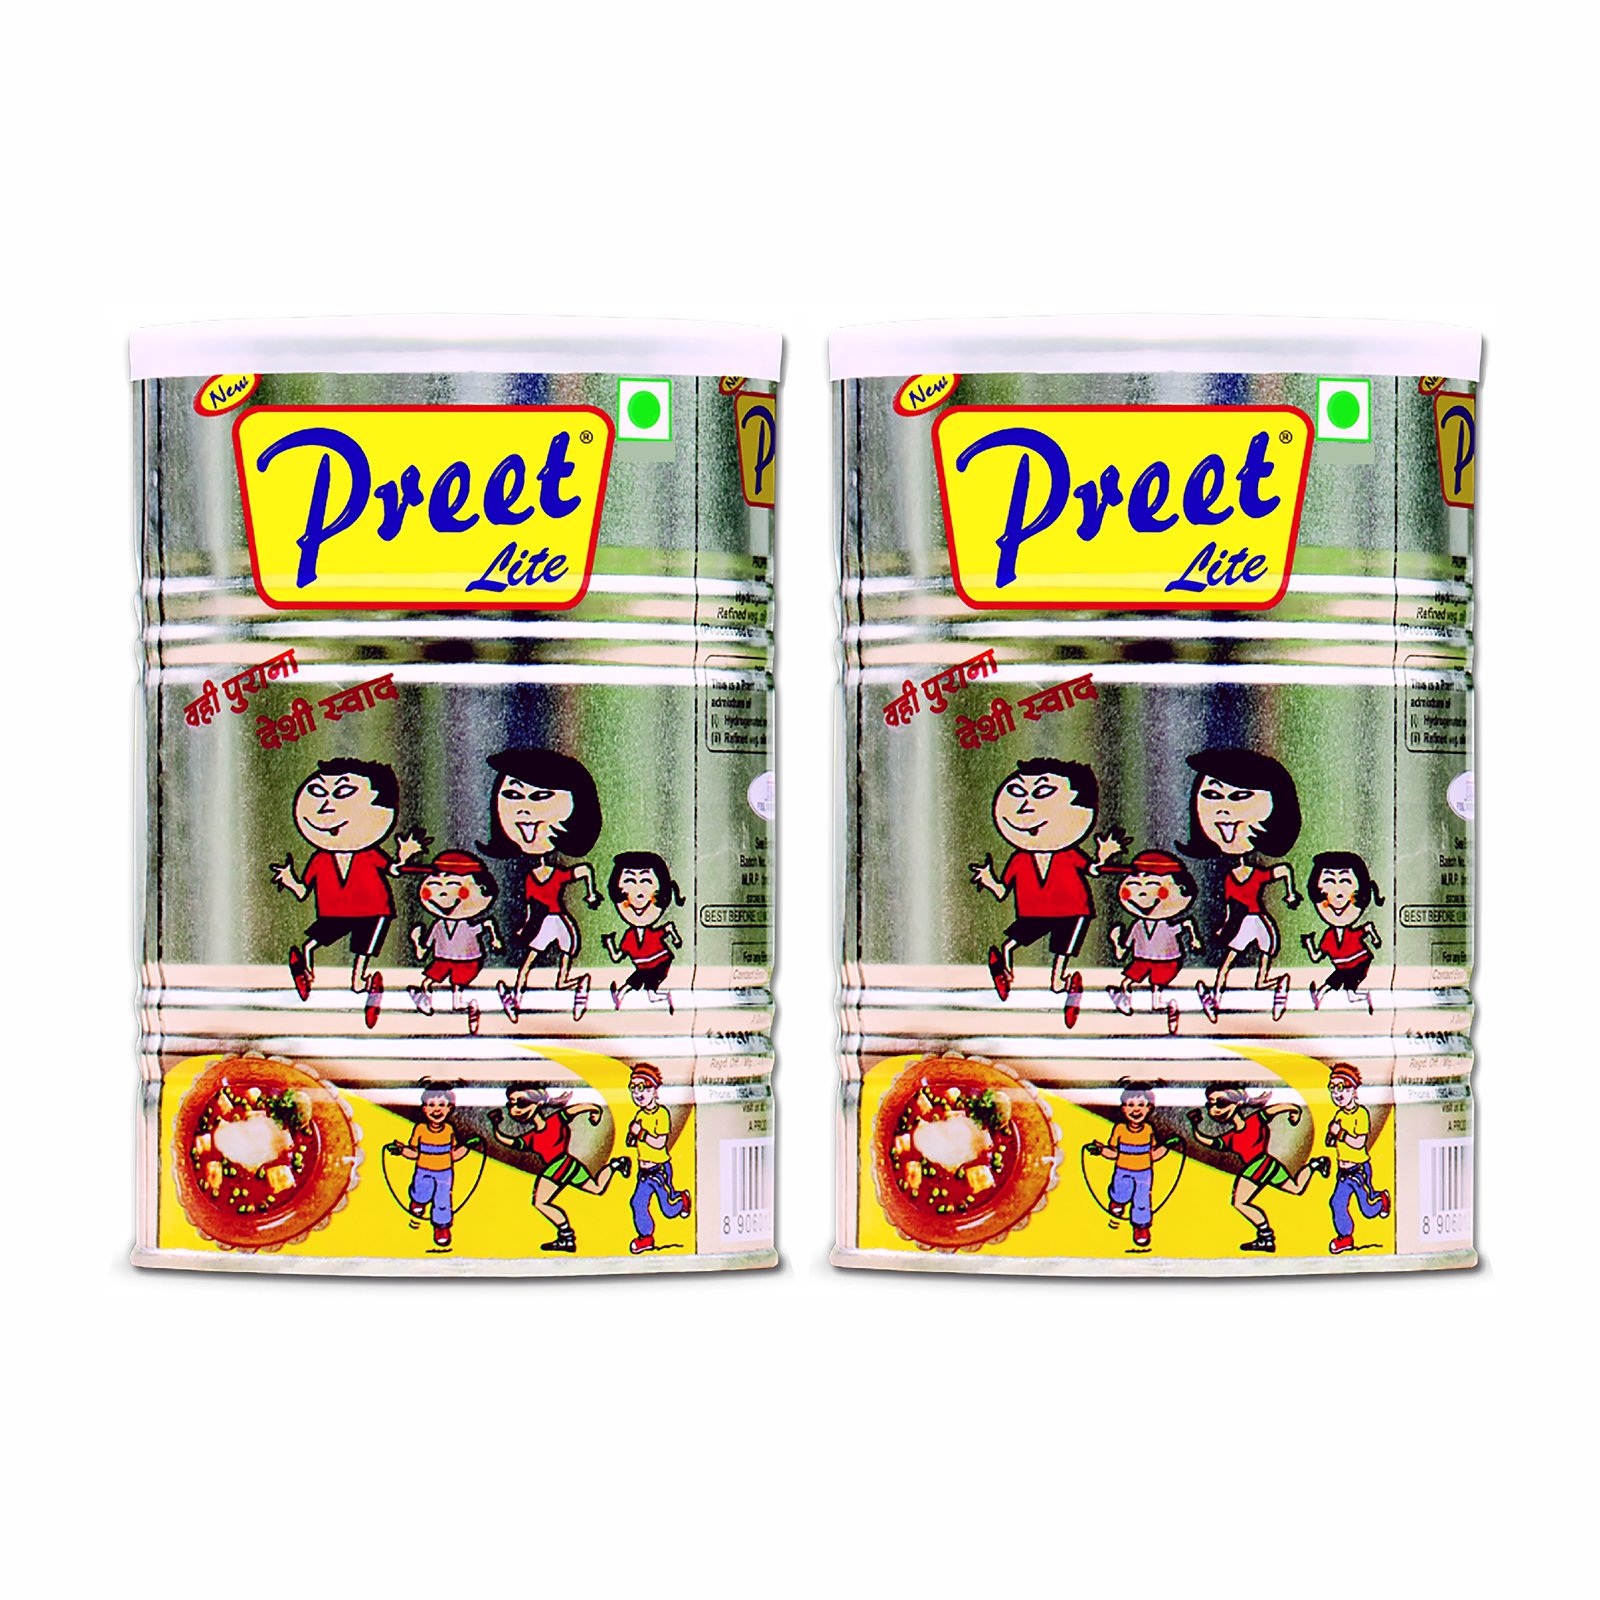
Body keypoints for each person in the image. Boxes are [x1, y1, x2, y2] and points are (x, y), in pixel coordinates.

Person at [268, 758, 427, 1029]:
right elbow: (303, 891)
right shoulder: (320, 859)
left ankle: (366, 986)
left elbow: (394, 870)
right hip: (336, 912)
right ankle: (308, 977)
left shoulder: (370, 854)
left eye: (343, 793)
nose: (326, 808)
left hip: (373, 912)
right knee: (309, 946)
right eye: (317, 793)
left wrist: (405, 854)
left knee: (358, 967)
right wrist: (289, 879)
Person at [968, 758, 1126, 1027]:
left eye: (1043, 793)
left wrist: (1104, 855)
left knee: (1059, 963)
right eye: (1016, 792)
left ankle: (1065, 986)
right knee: (1008, 945)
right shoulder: (1020, 859)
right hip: (1036, 911)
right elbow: (1002, 891)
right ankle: (1007, 977)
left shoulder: (1070, 854)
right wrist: (988, 879)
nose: (1025, 807)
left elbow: (1094, 870)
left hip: (1072, 911)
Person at [1176, 749, 1301, 1023]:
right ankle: (1216, 996)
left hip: (1258, 921)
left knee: (1261, 964)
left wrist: (1291, 893)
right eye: (1211, 795)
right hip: (1246, 922)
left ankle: (1276, 987)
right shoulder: (1230, 877)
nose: (1223, 808)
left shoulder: (1257, 873)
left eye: (1240, 796)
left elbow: (1282, 871)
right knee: (1229, 961)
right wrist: (1225, 925)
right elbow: (1232, 905)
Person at [480, 749, 604, 1022]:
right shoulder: (529, 877)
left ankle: (577, 987)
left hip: (559, 921)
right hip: (547, 922)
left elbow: (583, 871)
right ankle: (517, 996)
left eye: (541, 796)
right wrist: (526, 924)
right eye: (512, 795)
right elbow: (530, 904)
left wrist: (591, 893)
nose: (524, 808)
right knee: (529, 962)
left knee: (560, 964)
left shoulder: (558, 873)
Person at [489, 1083, 631, 1253]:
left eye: (521, 1103)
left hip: (558, 1166)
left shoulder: (555, 1120)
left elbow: (577, 1109)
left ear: (538, 1103)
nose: (515, 1110)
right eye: (511, 1105)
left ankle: (567, 1237)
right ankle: (617, 1164)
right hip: (571, 1165)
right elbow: (511, 1142)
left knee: (540, 1202)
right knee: (597, 1188)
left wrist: (596, 1110)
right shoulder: (532, 1137)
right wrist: (496, 1127)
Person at [1188, 1084, 1330, 1253]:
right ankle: (1316, 1164)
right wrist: (1195, 1127)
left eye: (1221, 1103)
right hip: (1270, 1165)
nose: (1215, 1110)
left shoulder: (1255, 1120)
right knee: (1296, 1188)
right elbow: (1211, 1142)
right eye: (1210, 1104)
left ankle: (1266, 1237)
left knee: (1239, 1202)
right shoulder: (1231, 1137)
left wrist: (1295, 1110)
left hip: (1257, 1166)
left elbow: (1277, 1108)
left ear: (1237, 1103)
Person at [1100, 850, 1201, 1034]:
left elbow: (1186, 924)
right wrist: (1115, 941)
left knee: (1156, 996)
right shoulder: (1138, 926)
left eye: (1156, 887)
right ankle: (1125, 1003)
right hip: (1142, 959)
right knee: (1126, 983)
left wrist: (1194, 939)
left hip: (1166, 961)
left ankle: (1168, 1007)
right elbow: (1122, 953)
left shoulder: (1166, 926)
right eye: (1132, 887)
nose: (1142, 897)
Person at [401, 850, 502, 1035]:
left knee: (456, 997)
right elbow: (423, 952)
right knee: (427, 982)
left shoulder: (466, 926)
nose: (442, 897)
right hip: (443, 959)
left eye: (456, 887)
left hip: (467, 961)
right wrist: (416, 941)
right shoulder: (438, 926)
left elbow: (487, 924)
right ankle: (425, 1002)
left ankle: (469, 1006)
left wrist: (495, 939)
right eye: (433, 887)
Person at [1084, 1081, 1180, 1249]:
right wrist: (1101, 1150)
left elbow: (1152, 1155)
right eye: (1130, 1105)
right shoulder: (1120, 1129)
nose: (1136, 1110)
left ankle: (1141, 1227)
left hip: (1144, 1173)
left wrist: (1167, 1146)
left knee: (1142, 1201)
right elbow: (1114, 1153)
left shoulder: (1148, 1130)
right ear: (1123, 1109)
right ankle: (1118, 1201)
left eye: (1141, 1105)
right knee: (1121, 1190)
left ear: (1149, 1108)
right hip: (1122, 1170)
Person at [386, 1081, 474, 1249]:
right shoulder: (420, 1129)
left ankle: (441, 1226)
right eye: (431, 1105)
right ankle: (418, 1202)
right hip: (423, 1170)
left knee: (443, 1200)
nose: (437, 1110)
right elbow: (415, 1152)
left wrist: (467, 1147)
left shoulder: (449, 1130)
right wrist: (402, 1150)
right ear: (424, 1109)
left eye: (442, 1105)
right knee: (421, 1190)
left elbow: (453, 1155)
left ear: (449, 1108)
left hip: (444, 1173)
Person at [1302, 852, 1385, 1014]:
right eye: (1328, 882)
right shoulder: (1329, 937)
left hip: (1358, 965)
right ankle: (1318, 997)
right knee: (1331, 984)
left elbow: (1367, 928)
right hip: (1343, 967)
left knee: (1350, 994)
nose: (1338, 895)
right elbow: (1317, 957)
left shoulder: (1351, 934)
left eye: (1346, 881)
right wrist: (1309, 944)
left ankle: (1366, 997)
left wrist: (1375, 939)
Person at [602, 851, 685, 1012]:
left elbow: (668, 928)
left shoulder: (651, 934)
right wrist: (610, 944)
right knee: (631, 983)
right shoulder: (629, 937)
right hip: (644, 967)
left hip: (658, 964)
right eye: (629, 882)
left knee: (650, 993)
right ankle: (619, 997)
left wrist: (675, 938)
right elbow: (617, 957)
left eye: (646, 881)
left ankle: (667, 997)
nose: (638, 896)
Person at [1325, 1063, 1391, 1254]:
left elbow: (1359, 1142)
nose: (1336, 1093)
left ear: (1353, 1090)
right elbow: (1331, 1142)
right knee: (1337, 1203)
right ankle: (1345, 1238)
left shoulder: (1360, 1114)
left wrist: (1340, 1133)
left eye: (1341, 1087)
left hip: (1359, 1170)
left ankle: (1382, 1200)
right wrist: (1331, 1135)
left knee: (1368, 1210)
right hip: (1343, 1172)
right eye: (1332, 1088)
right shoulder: (1339, 1114)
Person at [625, 1064, 691, 1253]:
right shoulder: (639, 1114)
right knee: (637, 1203)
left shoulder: (661, 1114)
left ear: (654, 1090)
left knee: (668, 1210)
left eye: (642, 1087)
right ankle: (646, 1238)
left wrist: (640, 1133)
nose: (637, 1093)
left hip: (659, 1170)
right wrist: (632, 1136)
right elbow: (632, 1142)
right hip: (643, 1172)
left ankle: (682, 1200)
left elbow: (659, 1142)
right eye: (633, 1088)